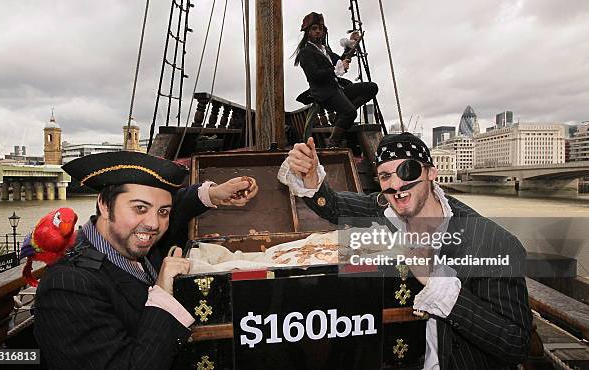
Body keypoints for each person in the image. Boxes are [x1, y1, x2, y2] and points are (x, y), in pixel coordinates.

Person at [278, 133, 532, 369]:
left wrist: (437, 282)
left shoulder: (491, 242)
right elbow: (335, 207)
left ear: (431, 173)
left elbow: (515, 345)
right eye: (385, 176)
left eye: (407, 170)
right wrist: (311, 177)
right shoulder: (385, 212)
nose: (397, 184)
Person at [34, 151, 257, 369]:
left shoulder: (127, 238)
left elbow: (177, 206)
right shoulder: (68, 286)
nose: (153, 224)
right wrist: (162, 294)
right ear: (104, 204)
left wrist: (214, 194)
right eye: (140, 208)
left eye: (163, 212)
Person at [293, 12, 378, 147]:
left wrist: (351, 44)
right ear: (307, 32)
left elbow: (341, 61)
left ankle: (340, 117)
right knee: (350, 113)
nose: (318, 31)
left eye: (320, 29)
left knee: (372, 88)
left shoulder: (325, 50)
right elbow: (314, 75)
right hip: (325, 94)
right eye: (314, 28)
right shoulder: (305, 52)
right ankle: (333, 141)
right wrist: (335, 69)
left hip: (338, 89)